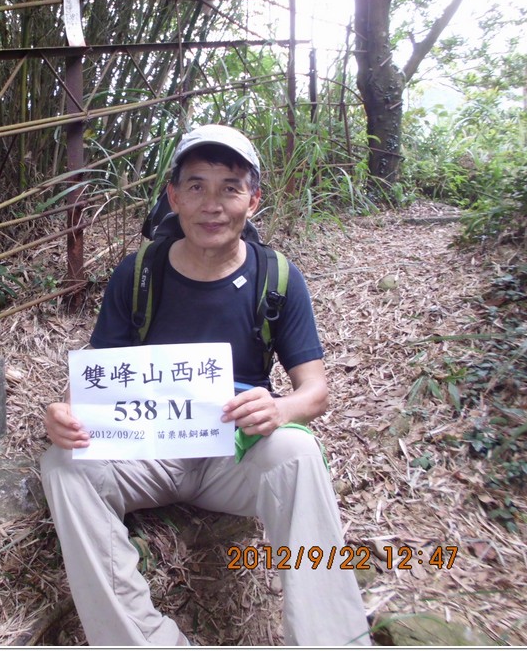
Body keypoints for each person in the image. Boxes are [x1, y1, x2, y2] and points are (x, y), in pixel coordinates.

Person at [40, 124, 371, 646]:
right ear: (174, 197)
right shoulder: (139, 274)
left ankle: (332, 639)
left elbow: (316, 392)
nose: (212, 205)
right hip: (147, 452)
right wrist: (65, 415)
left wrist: (282, 410)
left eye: (230, 187)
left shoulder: (277, 277)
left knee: (298, 455)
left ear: (253, 200)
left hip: (232, 455)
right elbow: (96, 380)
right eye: (196, 186)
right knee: (62, 464)